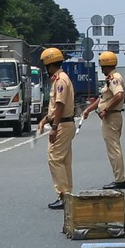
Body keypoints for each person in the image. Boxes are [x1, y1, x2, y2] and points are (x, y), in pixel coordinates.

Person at [81, 51, 125, 189]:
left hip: (111, 117)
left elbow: (119, 95)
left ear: (104, 65)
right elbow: (103, 99)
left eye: (101, 65)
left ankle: (120, 180)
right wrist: (88, 110)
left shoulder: (114, 78)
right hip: (111, 116)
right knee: (113, 148)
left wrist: (106, 109)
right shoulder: (111, 78)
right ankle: (118, 178)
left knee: (114, 149)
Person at [37, 48, 76, 210]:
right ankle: (67, 194)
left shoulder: (59, 80)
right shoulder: (62, 78)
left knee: (54, 158)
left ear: (49, 64)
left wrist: (53, 127)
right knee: (64, 160)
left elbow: (59, 105)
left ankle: (63, 194)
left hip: (62, 125)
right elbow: (56, 108)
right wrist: (44, 120)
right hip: (66, 123)